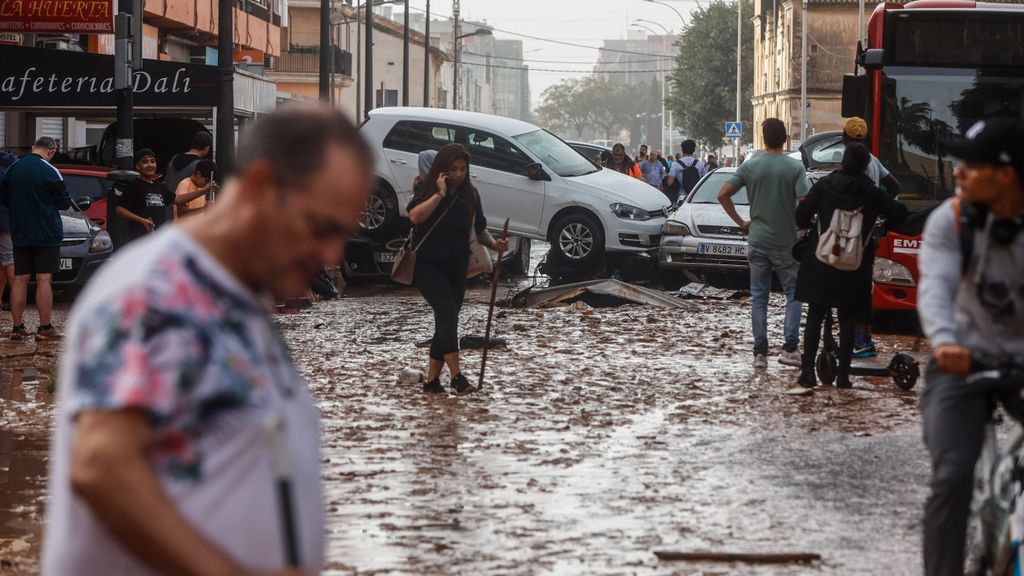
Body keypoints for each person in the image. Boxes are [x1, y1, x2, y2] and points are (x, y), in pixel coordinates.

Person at [42, 104, 371, 576]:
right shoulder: (157, 291)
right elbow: (102, 466)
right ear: (259, 187)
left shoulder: (236, 299)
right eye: (322, 227)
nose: (331, 254)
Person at [918, 118, 1024, 576]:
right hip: (960, 362)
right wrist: (943, 344)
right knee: (953, 476)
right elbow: (935, 288)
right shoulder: (951, 220)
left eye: (971, 164)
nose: (958, 173)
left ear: (1005, 174)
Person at [793, 143, 907, 390]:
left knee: (815, 315)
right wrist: (878, 224)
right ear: (866, 166)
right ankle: (843, 377)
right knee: (847, 317)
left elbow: (801, 215)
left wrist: (816, 222)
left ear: (842, 161)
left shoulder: (824, 186)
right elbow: (899, 213)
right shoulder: (871, 192)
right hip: (854, 265)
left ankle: (808, 375)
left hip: (820, 262)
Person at [408, 143, 508, 396]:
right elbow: (415, 217)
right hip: (428, 265)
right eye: (452, 169)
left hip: (456, 265)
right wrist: (439, 194)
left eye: (462, 169)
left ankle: (432, 382)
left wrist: (495, 244)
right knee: (448, 314)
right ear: (442, 170)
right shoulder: (426, 189)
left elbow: (479, 228)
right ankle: (457, 376)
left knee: (446, 322)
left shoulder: (470, 194)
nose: (458, 174)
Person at [718, 118, 809, 369]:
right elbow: (805, 200)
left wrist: (741, 222)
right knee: (793, 294)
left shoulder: (751, 165)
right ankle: (790, 349)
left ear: (763, 138)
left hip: (756, 239)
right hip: (786, 242)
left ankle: (760, 355)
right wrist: (802, 226)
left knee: (759, 297)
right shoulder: (795, 168)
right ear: (785, 139)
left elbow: (723, 194)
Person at [841, 117, 904, 359]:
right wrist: (881, 215)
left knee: (849, 289)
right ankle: (862, 339)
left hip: (850, 236)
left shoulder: (853, 165)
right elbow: (895, 186)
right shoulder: (875, 161)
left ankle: (857, 341)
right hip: (869, 236)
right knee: (863, 288)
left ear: (844, 138)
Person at [0, 137, 71, 341]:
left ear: (33, 148)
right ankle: (45, 327)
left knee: (20, 279)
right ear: (51, 151)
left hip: (20, 232)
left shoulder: (13, 169)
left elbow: (4, 198)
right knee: (44, 278)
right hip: (46, 233)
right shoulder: (50, 170)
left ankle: (17, 328)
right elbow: (64, 202)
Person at [117, 148, 176, 244]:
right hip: (140, 239)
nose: (150, 165)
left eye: (152, 161)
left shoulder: (160, 186)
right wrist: (142, 220)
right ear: (137, 166)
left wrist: (204, 189)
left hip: (159, 238)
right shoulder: (134, 185)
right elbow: (120, 210)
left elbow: (178, 199)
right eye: (145, 162)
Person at [0, 151, 17, 311]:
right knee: (8, 259)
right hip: (7, 221)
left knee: (5, 261)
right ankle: (15, 297)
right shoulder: (12, 170)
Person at [666, 139, 707, 204]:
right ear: (693, 150)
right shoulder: (700, 163)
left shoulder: (676, 164)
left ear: (682, 150)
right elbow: (705, 181)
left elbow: (669, 182)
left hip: (682, 197)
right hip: (695, 196)